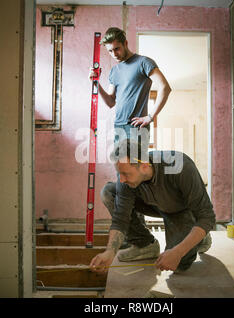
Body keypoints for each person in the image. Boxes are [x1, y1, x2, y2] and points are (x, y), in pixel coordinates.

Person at [89, 139, 215, 274]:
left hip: (181, 210)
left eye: (126, 174)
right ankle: (145, 244)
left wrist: (178, 252)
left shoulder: (180, 166)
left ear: (144, 166)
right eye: (120, 173)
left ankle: (200, 237)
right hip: (154, 205)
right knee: (108, 192)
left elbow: (207, 217)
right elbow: (121, 219)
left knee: (179, 264)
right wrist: (110, 252)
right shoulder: (126, 178)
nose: (122, 179)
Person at [89, 27, 171, 147]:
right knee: (120, 165)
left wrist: (150, 117)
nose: (114, 54)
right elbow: (111, 102)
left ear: (125, 43)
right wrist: (95, 82)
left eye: (117, 49)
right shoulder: (114, 71)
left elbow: (165, 87)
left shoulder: (144, 62)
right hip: (118, 126)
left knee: (137, 165)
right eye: (110, 51)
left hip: (137, 127)